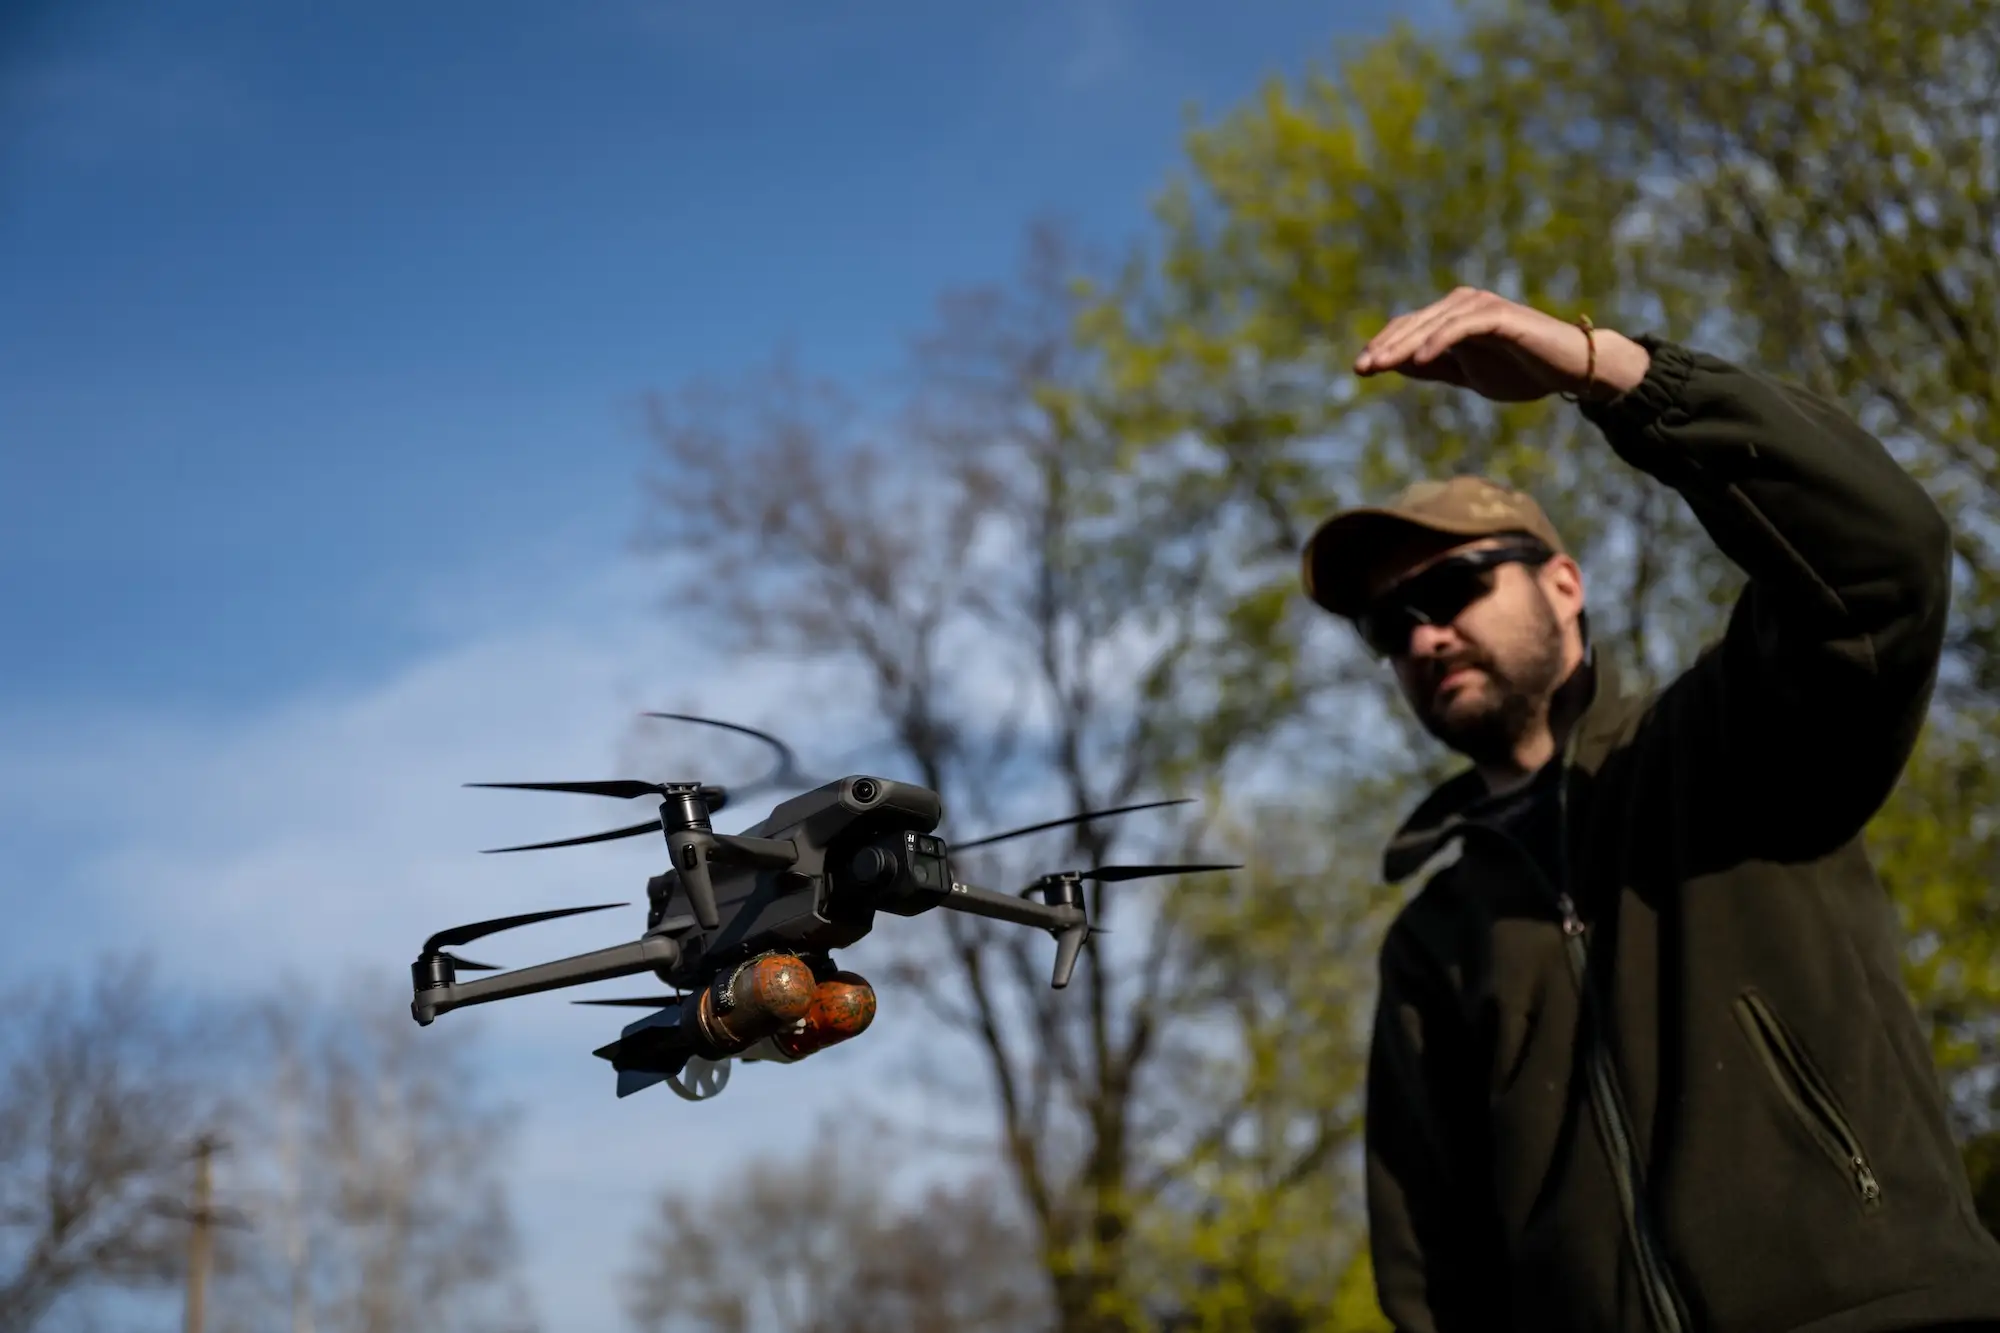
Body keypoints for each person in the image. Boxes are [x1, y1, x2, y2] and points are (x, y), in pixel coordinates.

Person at [1301, 287, 2000, 1332]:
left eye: (1448, 590)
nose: (1420, 637)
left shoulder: (1723, 744)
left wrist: (1605, 370)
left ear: (1563, 586)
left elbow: (1880, 556)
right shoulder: (1430, 944)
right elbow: (1433, 1282)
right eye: (1385, 626)